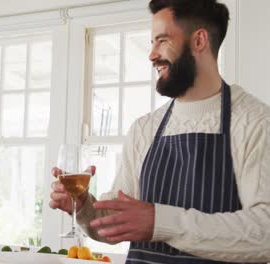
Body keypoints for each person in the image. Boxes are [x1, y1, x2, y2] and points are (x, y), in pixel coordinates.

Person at [50, 0, 270, 263]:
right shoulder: (144, 129)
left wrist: (160, 222)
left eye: (162, 40)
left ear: (199, 41)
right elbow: (113, 224)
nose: (152, 54)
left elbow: (264, 232)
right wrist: (83, 206)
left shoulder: (255, 122)